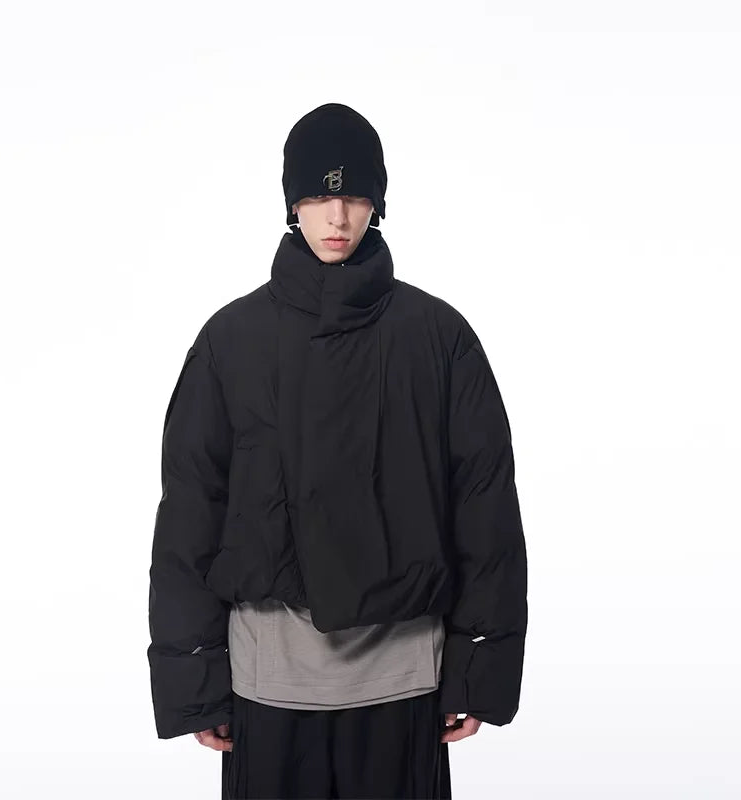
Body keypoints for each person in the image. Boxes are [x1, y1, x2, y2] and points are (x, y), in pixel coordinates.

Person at [146, 102, 528, 799]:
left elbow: (484, 506)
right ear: (292, 204)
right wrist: (194, 679)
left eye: (354, 196)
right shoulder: (231, 341)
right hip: (268, 681)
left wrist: (478, 666)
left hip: (402, 680)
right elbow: (191, 514)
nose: (338, 217)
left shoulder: (438, 337)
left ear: (378, 204)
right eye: (320, 197)